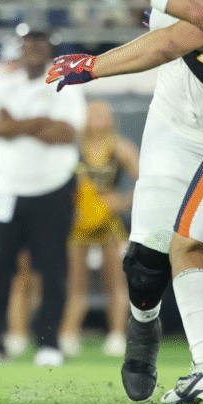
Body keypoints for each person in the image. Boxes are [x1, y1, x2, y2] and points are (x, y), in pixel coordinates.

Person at [50, 0, 203, 404]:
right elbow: (179, 29)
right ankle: (144, 326)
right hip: (181, 121)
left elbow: (189, 26)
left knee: (191, 246)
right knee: (149, 257)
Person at [0, 30, 86, 368]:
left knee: (53, 268)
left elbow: (65, 133)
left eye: (40, 45)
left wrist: (15, 124)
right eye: (28, 45)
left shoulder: (66, 84)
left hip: (53, 187)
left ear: (51, 51)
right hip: (6, 189)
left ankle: (50, 343)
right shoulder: (2, 86)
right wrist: (40, 121)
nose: (33, 51)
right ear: (20, 49)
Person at [59, 99, 138, 358]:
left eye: (102, 114)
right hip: (78, 223)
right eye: (91, 113)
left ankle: (117, 335)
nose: (97, 119)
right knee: (75, 282)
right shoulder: (74, 148)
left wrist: (123, 201)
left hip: (109, 223)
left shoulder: (118, 147)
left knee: (115, 281)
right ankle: (69, 334)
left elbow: (146, 178)